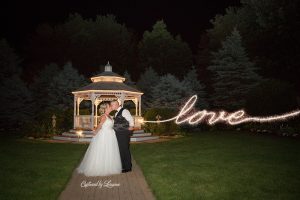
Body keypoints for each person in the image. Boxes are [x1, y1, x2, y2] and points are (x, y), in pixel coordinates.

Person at [76, 102, 122, 176]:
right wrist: (95, 132)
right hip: (104, 135)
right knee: (102, 150)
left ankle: (109, 167)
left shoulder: (110, 116)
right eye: (109, 106)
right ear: (105, 109)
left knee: (109, 151)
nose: (110, 107)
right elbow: (100, 125)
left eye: (110, 106)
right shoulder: (103, 116)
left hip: (110, 135)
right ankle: (100, 167)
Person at [110, 100, 134, 173]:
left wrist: (130, 129)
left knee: (124, 150)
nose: (111, 106)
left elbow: (131, 120)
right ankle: (123, 166)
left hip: (123, 133)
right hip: (119, 133)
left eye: (112, 105)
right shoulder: (116, 112)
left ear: (117, 104)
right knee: (121, 150)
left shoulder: (124, 111)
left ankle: (128, 167)